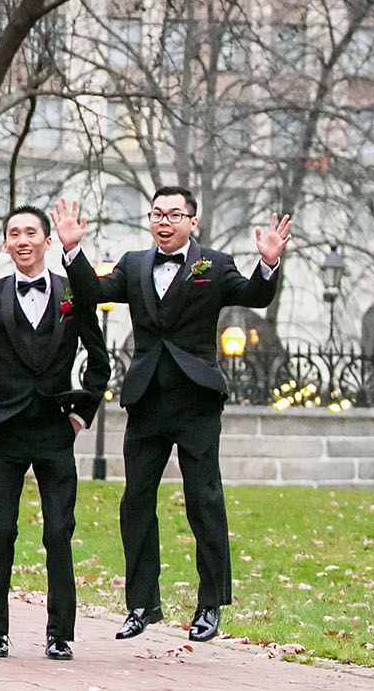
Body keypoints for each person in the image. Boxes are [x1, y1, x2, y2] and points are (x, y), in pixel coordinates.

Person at [52, 189, 289, 644]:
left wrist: (268, 264)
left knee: (204, 499)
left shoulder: (214, 265)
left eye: (175, 215)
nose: (165, 221)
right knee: (135, 501)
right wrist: (72, 250)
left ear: (192, 222)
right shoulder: (134, 263)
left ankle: (210, 604)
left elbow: (254, 295)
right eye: (157, 214)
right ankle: (141, 603)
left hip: (196, 400)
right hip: (146, 400)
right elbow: (93, 292)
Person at [0, 205, 111, 661]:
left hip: (56, 429)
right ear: (5, 244)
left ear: (46, 241)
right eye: (14, 233)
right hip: (4, 428)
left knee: (59, 531)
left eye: (31, 233)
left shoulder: (73, 294)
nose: (22, 240)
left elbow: (100, 363)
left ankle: (60, 634)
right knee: (2, 530)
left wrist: (82, 416)